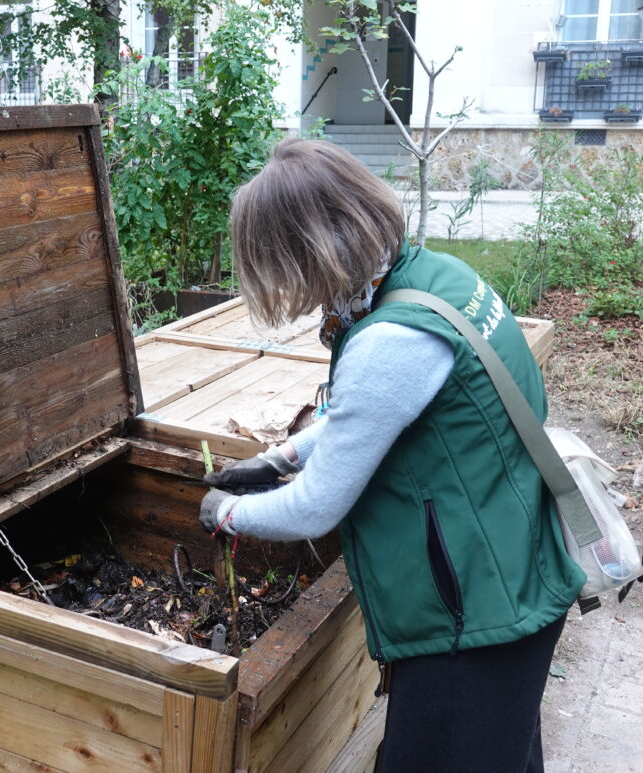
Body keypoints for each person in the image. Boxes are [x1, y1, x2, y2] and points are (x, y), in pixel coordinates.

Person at [198, 138, 585, 773]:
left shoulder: (391, 340)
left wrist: (226, 513)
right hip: (512, 569)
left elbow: (314, 509)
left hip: (473, 622)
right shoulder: (435, 279)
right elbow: (373, 412)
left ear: (308, 251)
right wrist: (280, 457)